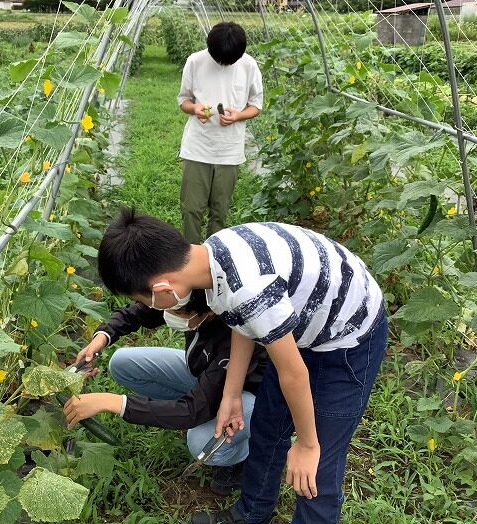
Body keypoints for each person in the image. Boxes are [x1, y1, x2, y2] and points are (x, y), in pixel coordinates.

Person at [96, 208, 388, 524]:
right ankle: (251, 513)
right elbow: (243, 323)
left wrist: (305, 443)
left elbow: (294, 372)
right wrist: (232, 395)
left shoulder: (248, 287)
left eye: (147, 301)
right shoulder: (211, 257)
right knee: (266, 426)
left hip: (348, 336)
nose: (149, 309)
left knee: (319, 461)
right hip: (297, 326)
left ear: (162, 289)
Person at [63, 290, 268, 496]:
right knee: (122, 363)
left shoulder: (233, 333)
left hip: (252, 396)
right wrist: (102, 338)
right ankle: (184, 413)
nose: (168, 314)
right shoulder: (189, 295)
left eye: (177, 313)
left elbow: (191, 411)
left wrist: (111, 402)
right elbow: (135, 313)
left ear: (210, 313)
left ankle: (247, 453)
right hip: (208, 377)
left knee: (198, 442)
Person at [177, 22, 263, 244]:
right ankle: (191, 254)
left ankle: (213, 257)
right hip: (198, 148)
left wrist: (238, 116)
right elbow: (183, 100)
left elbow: (256, 105)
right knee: (191, 210)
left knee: (220, 212)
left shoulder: (249, 65)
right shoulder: (195, 61)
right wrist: (194, 108)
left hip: (229, 151)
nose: (224, 64)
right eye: (219, 60)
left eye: (230, 61)